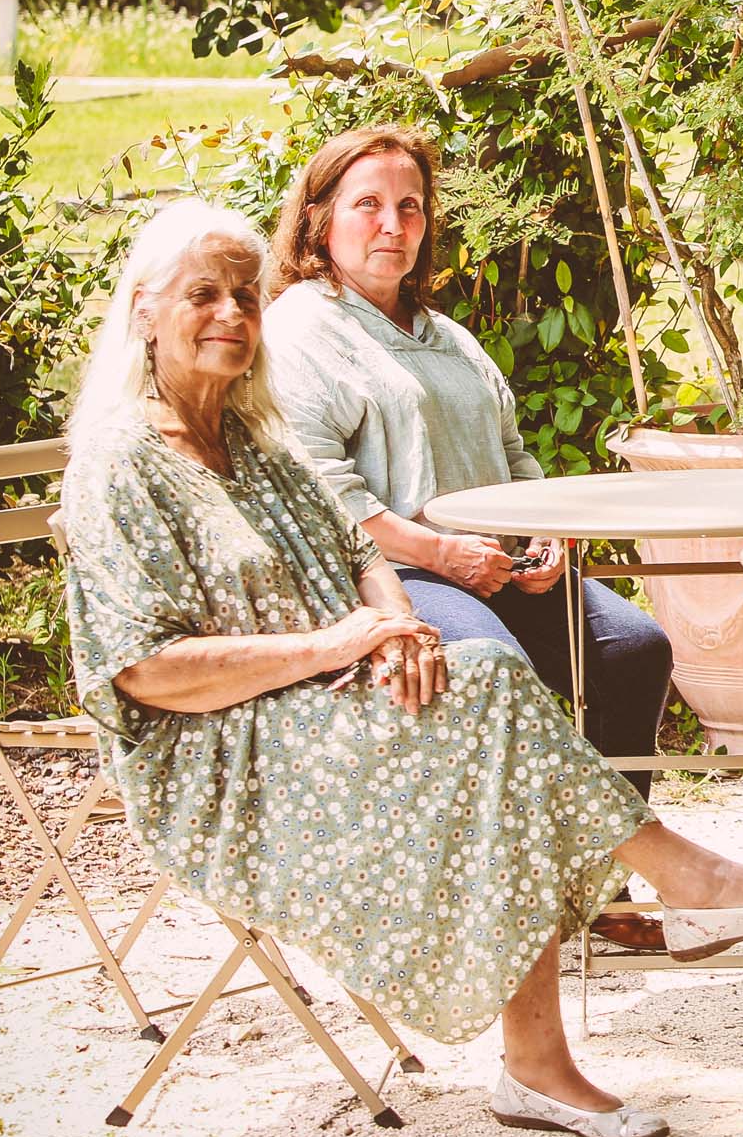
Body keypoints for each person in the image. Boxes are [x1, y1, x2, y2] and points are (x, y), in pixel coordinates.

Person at [60, 200, 743, 1137]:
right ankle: (675, 893)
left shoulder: (255, 441)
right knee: (492, 700)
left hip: (321, 705)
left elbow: (356, 556)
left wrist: (397, 629)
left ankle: (550, 1056)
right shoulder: (119, 464)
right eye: (203, 295)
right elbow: (146, 672)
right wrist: (342, 645)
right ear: (145, 310)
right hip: (222, 758)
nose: (232, 312)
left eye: (244, 295)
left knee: (485, 706)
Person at [259, 126, 672, 948]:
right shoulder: (302, 329)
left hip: (495, 565)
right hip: (388, 577)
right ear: (318, 223)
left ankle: (595, 880)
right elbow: (325, 498)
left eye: (409, 207)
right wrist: (442, 554)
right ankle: (514, 905)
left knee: (632, 647)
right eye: (367, 205)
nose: (392, 226)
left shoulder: (446, 335)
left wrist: (543, 539)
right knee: (496, 673)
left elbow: (514, 458)